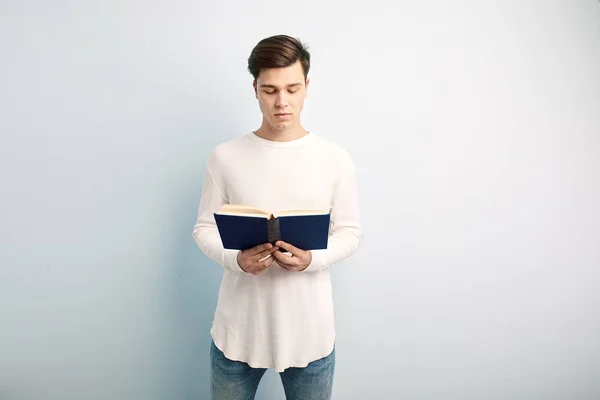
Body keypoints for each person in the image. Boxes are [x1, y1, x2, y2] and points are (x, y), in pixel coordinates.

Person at [192, 34, 363, 400]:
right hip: (237, 331)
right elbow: (204, 228)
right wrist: (234, 259)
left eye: (291, 88)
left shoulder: (335, 159)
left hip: (310, 334)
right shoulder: (225, 157)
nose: (282, 102)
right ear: (254, 88)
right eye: (270, 90)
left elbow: (350, 232)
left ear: (306, 87)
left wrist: (312, 260)